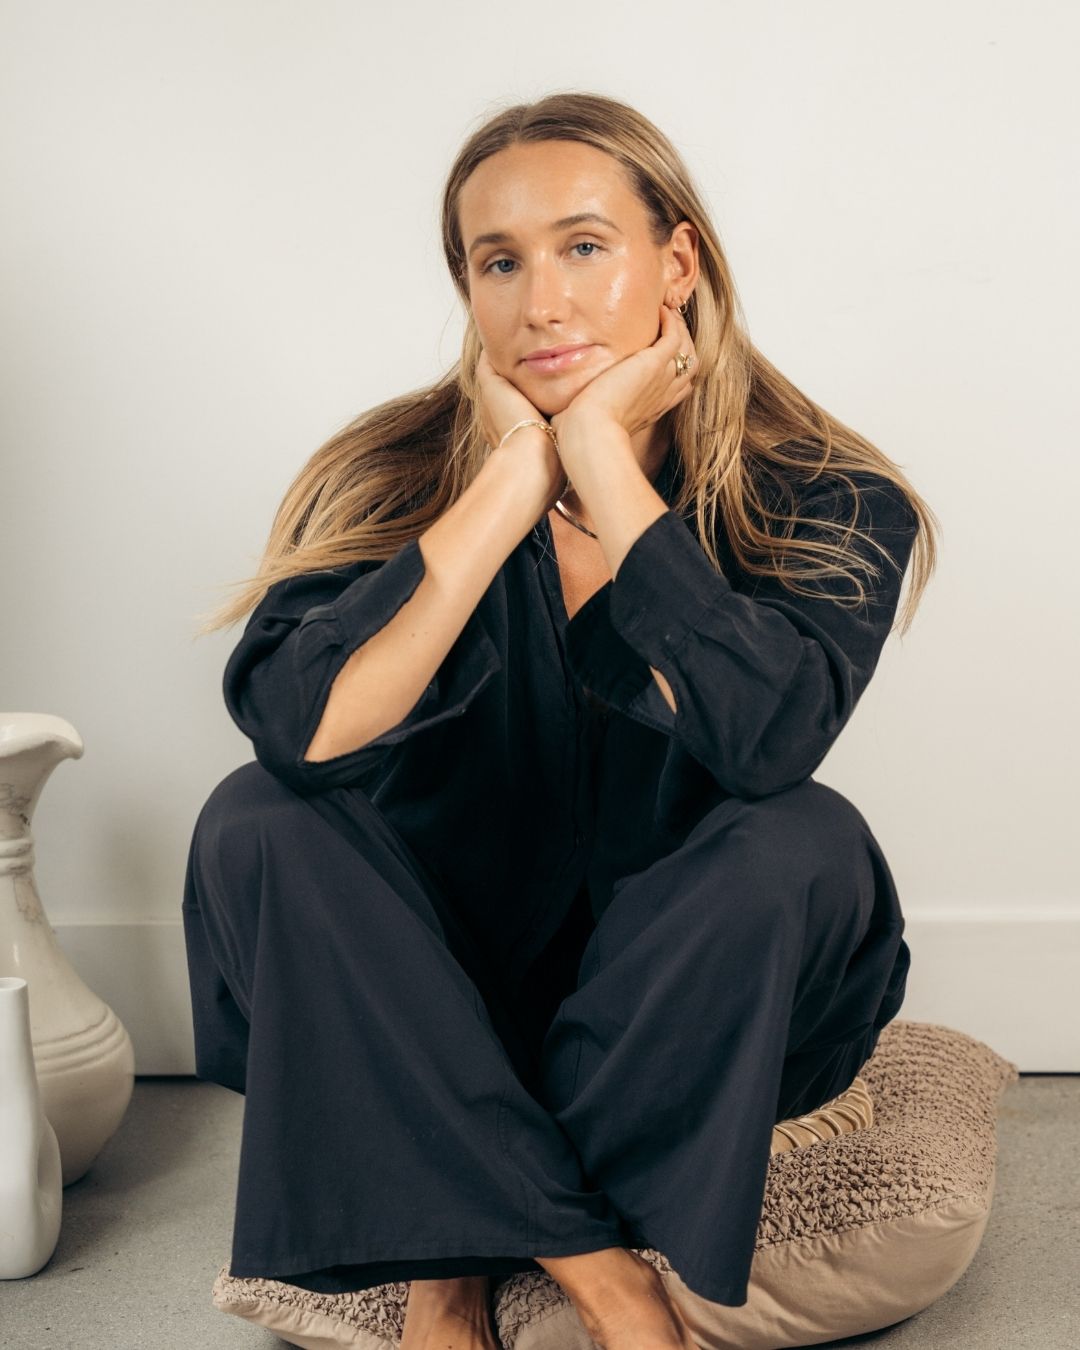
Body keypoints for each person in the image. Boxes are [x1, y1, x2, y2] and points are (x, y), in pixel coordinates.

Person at [182, 90, 939, 1350]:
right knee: (254, 820)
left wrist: (600, 461)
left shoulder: (826, 488)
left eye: (585, 246)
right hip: (427, 1002)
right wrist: (508, 485)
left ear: (677, 263)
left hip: (702, 1007)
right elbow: (304, 729)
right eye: (500, 262)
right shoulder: (382, 470)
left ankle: (448, 1210)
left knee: (803, 838)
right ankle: (590, 1268)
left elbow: (767, 739)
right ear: (467, 290)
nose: (542, 303)